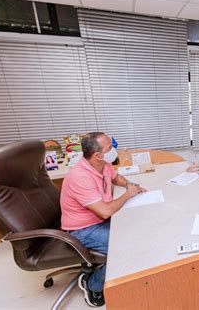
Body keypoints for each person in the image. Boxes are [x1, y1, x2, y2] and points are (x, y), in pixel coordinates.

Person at [60, 132, 146, 307]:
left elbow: (115, 178)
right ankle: (92, 284)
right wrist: (127, 195)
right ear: (97, 155)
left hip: (99, 218)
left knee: (139, 230)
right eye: (110, 148)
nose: (114, 149)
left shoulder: (104, 165)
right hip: (83, 229)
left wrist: (130, 185)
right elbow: (105, 212)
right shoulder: (80, 176)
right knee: (128, 250)